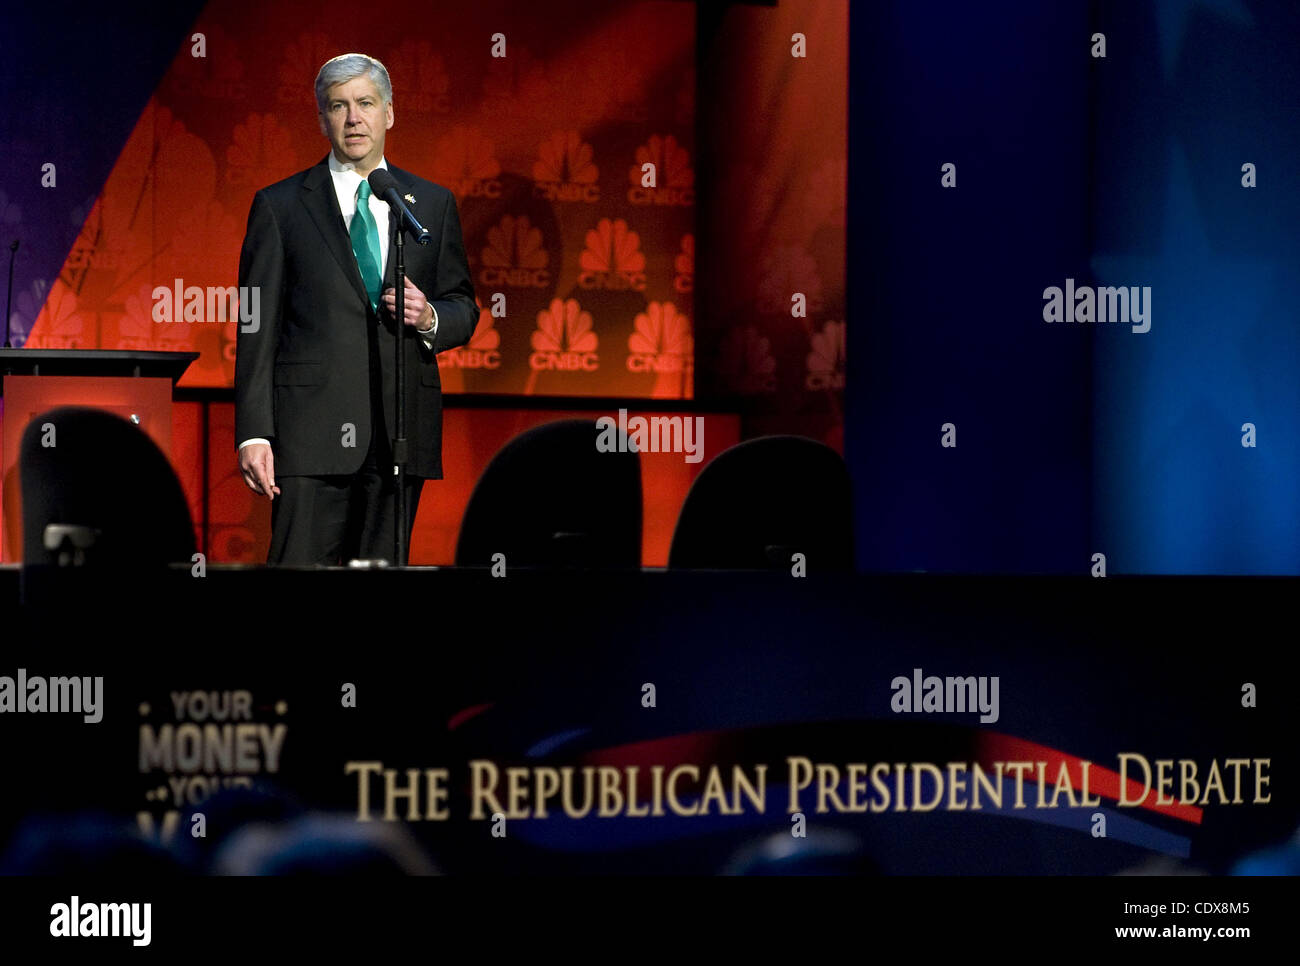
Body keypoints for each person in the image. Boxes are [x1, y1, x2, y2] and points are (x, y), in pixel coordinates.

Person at [235, 53, 476, 565]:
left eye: (365, 103)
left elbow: (463, 306)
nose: (353, 118)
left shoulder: (429, 205)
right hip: (308, 440)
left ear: (389, 113)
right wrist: (255, 432)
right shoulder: (281, 206)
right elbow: (256, 327)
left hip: (400, 437)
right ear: (322, 119)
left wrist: (429, 316)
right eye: (338, 107)